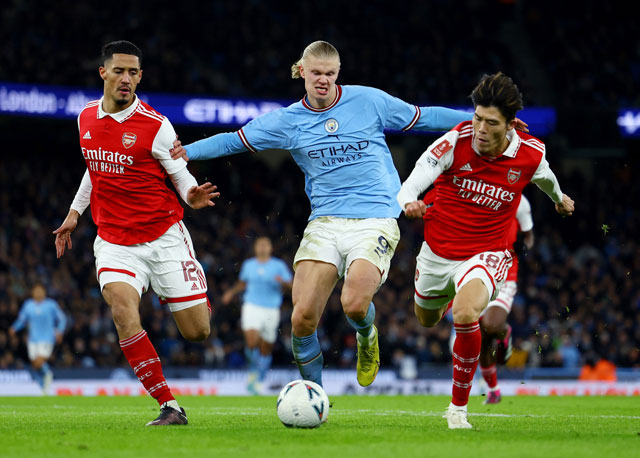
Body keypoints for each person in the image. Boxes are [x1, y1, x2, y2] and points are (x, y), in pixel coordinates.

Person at [169, 40, 498, 388]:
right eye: (316, 73)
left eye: (330, 73)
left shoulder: (369, 101)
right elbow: (234, 140)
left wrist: (480, 123)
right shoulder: (286, 120)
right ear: (303, 73)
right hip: (324, 221)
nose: (323, 79)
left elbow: (425, 117)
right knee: (302, 319)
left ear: (338, 72)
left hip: (376, 217)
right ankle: (315, 395)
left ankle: (367, 336)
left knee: (354, 304)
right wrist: (187, 152)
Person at [52, 41, 219, 426]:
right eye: (119, 71)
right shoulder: (85, 119)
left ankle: (180, 288)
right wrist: (75, 213)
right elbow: (94, 168)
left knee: (198, 331)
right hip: (113, 241)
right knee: (122, 310)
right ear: (103, 73)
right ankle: (169, 405)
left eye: (133, 73)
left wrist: (190, 195)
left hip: (163, 237)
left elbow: (179, 173)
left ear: (140, 76)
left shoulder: (156, 125)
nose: (126, 78)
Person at [397, 72, 574, 429]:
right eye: (477, 117)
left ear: (510, 125)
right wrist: (408, 201)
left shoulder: (530, 153)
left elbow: (547, 178)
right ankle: (450, 295)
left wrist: (560, 199)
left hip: (486, 254)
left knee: (465, 314)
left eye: (490, 122)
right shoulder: (453, 143)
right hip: (437, 252)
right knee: (426, 319)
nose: (479, 128)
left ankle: (458, 409)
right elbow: (415, 178)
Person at [478, 194, 534, 404]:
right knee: (481, 338)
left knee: (490, 325)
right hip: (476, 273)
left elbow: (529, 236)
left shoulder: (519, 200)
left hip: (505, 275)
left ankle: (504, 330)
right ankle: (493, 390)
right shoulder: (476, 194)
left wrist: (525, 246)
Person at [221, 236, 293, 394]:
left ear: (270, 248)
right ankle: (253, 372)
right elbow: (243, 283)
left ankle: (260, 377)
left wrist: (283, 282)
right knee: (252, 340)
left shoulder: (278, 265)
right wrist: (231, 292)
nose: (262, 247)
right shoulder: (249, 265)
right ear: (255, 248)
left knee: (266, 346)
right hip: (251, 306)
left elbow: (291, 284)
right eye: (259, 244)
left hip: (271, 309)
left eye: (265, 244)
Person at [9, 283, 66, 394]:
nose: (38, 293)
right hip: (32, 340)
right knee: (35, 364)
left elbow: (62, 318)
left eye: (40, 291)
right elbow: (22, 320)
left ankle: (48, 376)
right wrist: (14, 328)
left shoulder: (51, 305)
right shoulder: (28, 305)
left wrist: (60, 331)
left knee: (39, 361)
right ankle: (44, 386)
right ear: (32, 293)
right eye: (36, 291)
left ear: (44, 293)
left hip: (47, 338)